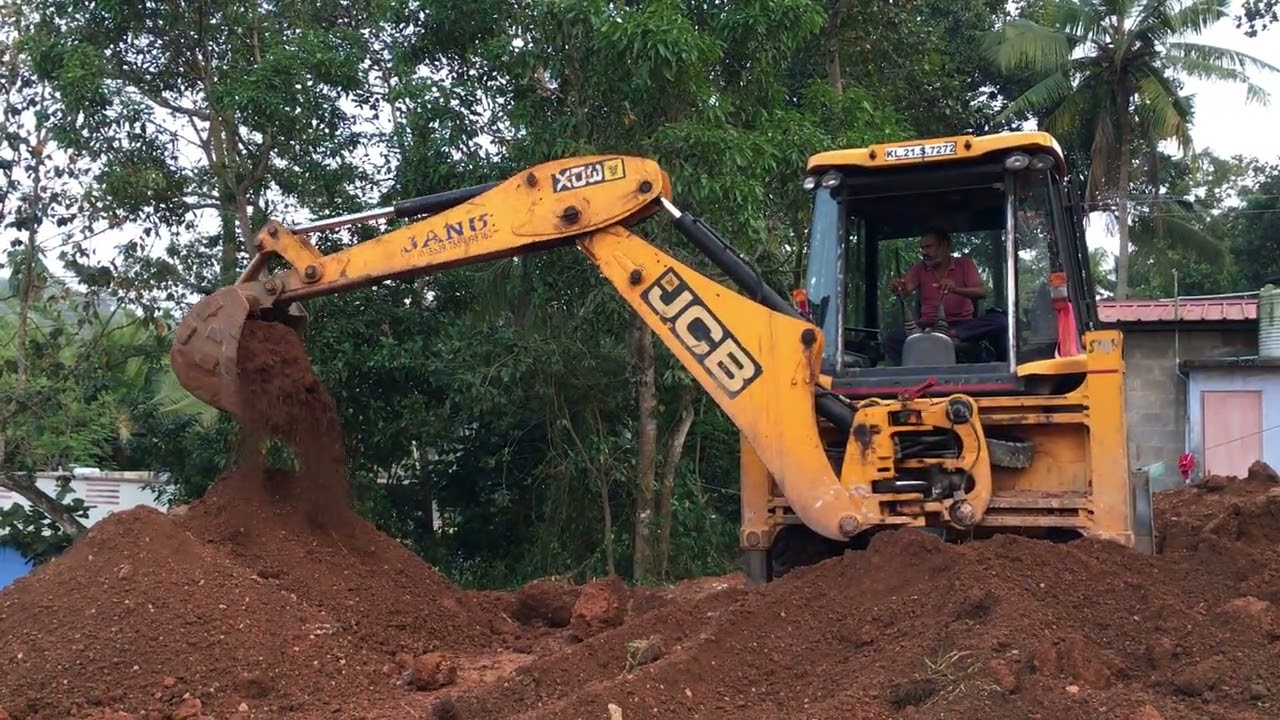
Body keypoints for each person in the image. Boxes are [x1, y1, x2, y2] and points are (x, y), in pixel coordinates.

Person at [882, 228, 1006, 364]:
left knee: (999, 321)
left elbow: (982, 293)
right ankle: (912, 373)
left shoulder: (965, 264)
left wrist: (955, 289)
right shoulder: (919, 268)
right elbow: (906, 290)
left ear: (945, 245)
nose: (924, 252)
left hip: (961, 326)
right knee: (891, 340)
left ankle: (949, 334)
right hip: (927, 327)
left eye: (929, 247)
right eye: (922, 248)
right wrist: (898, 287)